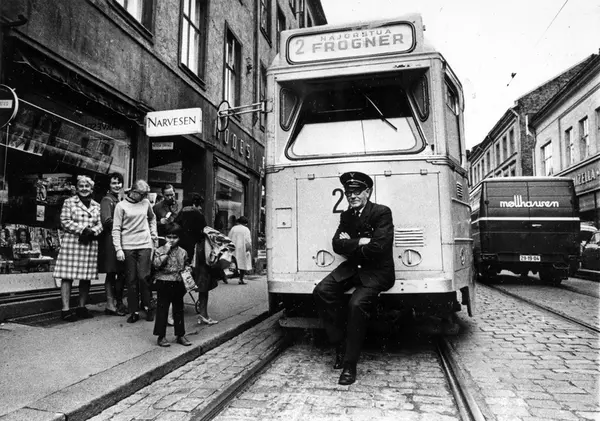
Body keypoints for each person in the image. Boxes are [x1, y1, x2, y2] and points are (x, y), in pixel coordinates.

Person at [313, 171, 395, 386]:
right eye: (349, 192)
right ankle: (340, 344)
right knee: (322, 291)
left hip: (377, 272)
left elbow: (380, 247)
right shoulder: (346, 216)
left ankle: (350, 365)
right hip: (354, 268)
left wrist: (351, 243)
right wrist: (361, 241)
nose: (352, 196)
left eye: (357, 192)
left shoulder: (381, 212)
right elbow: (336, 245)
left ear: (368, 192)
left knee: (356, 305)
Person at [53, 175, 103, 322]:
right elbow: (65, 221)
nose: (84, 189)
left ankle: (81, 307)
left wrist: (93, 231)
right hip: (72, 243)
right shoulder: (69, 202)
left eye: (87, 186)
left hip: (89, 243)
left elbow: (101, 224)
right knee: (67, 276)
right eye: (81, 186)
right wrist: (83, 230)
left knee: (85, 277)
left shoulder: (97, 205)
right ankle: (65, 310)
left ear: (91, 189)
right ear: (76, 188)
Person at [112, 179, 158, 323]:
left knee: (144, 277)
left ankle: (148, 306)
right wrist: (118, 249)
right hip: (128, 245)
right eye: (142, 194)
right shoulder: (121, 206)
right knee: (131, 279)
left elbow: (152, 218)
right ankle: (134, 311)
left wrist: (153, 233)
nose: (144, 197)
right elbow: (116, 228)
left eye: (145, 194)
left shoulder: (146, 203)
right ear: (133, 192)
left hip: (144, 244)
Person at [175, 194, 218, 325]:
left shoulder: (180, 215)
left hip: (182, 253)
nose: (200, 208)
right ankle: (203, 314)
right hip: (198, 253)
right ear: (195, 204)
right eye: (199, 205)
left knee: (183, 283)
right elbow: (203, 232)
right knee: (203, 284)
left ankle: (172, 313)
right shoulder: (197, 214)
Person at [152, 223, 192, 347]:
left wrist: (188, 270)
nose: (172, 240)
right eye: (169, 237)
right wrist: (166, 250)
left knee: (178, 309)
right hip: (163, 281)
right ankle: (161, 336)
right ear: (165, 237)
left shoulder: (183, 251)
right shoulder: (159, 250)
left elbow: (186, 264)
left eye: (175, 237)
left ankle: (180, 334)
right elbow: (156, 264)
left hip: (178, 282)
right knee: (162, 309)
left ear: (179, 238)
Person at [98, 172, 126, 316]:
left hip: (118, 240)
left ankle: (116, 303)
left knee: (119, 272)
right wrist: (126, 225)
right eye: (113, 183)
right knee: (111, 273)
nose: (117, 185)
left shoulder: (117, 199)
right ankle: (110, 304)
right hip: (110, 241)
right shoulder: (106, 200)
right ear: (108, 185)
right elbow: (107, 220)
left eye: (119, 182)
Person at [228, 216, 252, 285]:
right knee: (243, 263)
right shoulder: (246, 229)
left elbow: (229, 238)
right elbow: (248, 241)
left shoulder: (233, 228)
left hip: (233, 248)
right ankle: (241, 279)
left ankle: (227, 276)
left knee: (233, 262)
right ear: (245, 223)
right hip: (242, 249)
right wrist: (248, 249)